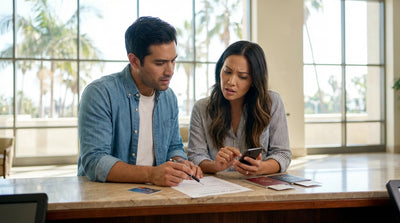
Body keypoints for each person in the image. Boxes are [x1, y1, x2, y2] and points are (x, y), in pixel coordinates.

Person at [77, 16, 203, 186]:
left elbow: (174, 146)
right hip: (107, 197)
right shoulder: (100, 93)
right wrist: (152, 174)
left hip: (155, 194)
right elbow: (95, 162)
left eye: (173, 61)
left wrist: (180, 163)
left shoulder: (169, 98)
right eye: (160, 63)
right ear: (134, 61)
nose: (170, 71)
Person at [187, 40, 291, 176]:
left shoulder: (272, 102)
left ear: (254, 80)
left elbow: (282, 154)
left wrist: (262, 167)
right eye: (227, 72)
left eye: (242, 77)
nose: (231, 82)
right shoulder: (202, 108)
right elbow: (195, 156)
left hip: (258, 187)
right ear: (220, 69)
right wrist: (215, 166)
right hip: (217, 189)